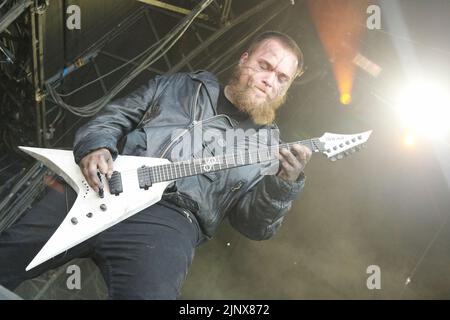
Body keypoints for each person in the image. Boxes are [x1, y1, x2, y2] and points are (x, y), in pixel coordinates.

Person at [0, 31, 312, 299]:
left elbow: (255, 226)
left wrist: (285, 184)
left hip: (172, 220)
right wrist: (96, 147)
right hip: (103, 184)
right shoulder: (180, 86)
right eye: (264, 66)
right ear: (244, 59)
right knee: (7, 254)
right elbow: (115, 117)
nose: (269, 80)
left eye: (281, 78)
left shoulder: (267, 150)